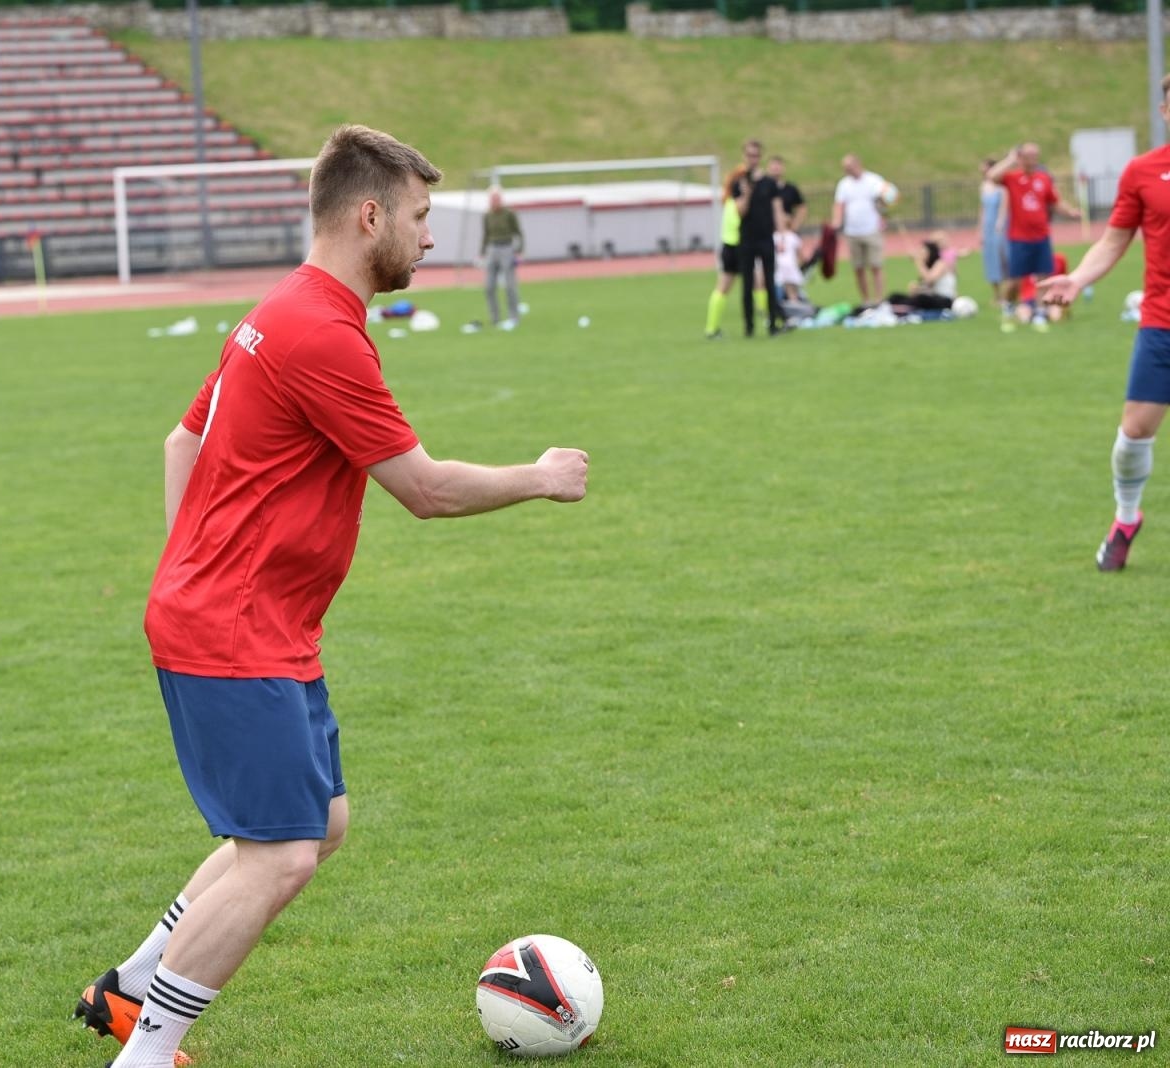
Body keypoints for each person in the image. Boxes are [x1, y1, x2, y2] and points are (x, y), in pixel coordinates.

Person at [73, 124, 590, 1068]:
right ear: (370, 215)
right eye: (420, 216)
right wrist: (542, 475)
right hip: (235, 630)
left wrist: (193, 566)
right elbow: (425, 490)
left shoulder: (280, 309)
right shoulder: (321, 334)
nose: (428, 236)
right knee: (279, 854)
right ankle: (143, 1054)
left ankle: (130, 986)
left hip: (251, 623)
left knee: (321, 824)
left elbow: (181, 441)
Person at [1041, 76, 1170, 571]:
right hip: (1162, 325)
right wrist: (1077, 278)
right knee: (1134, 433)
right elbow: (1115, 239)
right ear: (1164, 112)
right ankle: (1126, 518)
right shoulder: (1142, 171)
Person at [987, 142, 1081, 333]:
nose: (1033, 159)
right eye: (1029, 155)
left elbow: (1055, 202)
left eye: (1035, 155)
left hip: (1041, 236)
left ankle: (1039, 313)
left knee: (1042, 277)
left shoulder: (1043, 178)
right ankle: (1008, 308)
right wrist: (1010, 159)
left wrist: (1070, 212)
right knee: (1014, 280)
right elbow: (992, 176)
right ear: (1021, 157)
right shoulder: (1013, 178)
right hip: (1019, 237)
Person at [731, 139, 788, 337]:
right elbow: (740, 211)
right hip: (747, 239)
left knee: (769, 281)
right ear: (744, 156)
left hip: (766, 238)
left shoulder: (769, 183)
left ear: (760, 157)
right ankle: (749, 327)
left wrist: (782, 236)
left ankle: (772, 324)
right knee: (747, 284)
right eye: (749, 155)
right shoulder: (739, 182)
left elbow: (777, 210)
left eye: (755, 156)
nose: (752, 159)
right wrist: (747, 193)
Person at [831, 154, 890, 306]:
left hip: (871, 229)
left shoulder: (874, 180)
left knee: (876, 265)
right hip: (852, 232)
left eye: (849, 167)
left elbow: (887, 198)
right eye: (845, 168)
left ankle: (879, 299)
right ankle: (866, 300)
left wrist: (884, 213)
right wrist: (836, 222)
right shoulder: (844, 184)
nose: (848, 171)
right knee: (858, 268)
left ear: (858, 164)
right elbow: (839, 205)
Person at [704, 163, 747, 340]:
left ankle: (711, 327)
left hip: (728, 247)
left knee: (723, 288)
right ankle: (770, 320)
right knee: (757, 283)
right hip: (736, 247)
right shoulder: (737, 202)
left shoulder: (728, 201)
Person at [479, 186, 524, 328]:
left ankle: (514, 317)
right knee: (489, 286)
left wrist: (519, 251)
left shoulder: (509, 214)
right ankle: (495, 318)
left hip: (507, 248)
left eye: (496, 198)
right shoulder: (487, 215)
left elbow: (518, 232)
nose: (494, 201)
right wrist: (482, 253)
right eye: (492, 199)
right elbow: (485, 234)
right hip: (492, 249)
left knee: (510, 286)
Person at [976, 156, 1009, 311]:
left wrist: (1000, 223)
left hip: (1000, 228)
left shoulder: (1002, 187)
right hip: (988, 227)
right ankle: (997, 295)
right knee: (990, 260)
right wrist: (980, 230)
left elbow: (1004, 207)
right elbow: (982, 209)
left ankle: (1007, 295)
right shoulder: (983, 186)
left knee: (1003, 259)